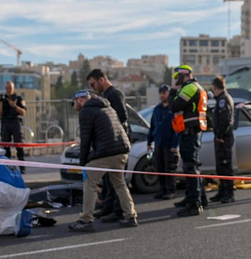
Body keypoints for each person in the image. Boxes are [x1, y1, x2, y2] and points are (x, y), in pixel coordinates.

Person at [69, 90, 136, 231]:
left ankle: (85, 220)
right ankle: (130, 216)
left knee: (89, 182)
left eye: (73, 102)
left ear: (80, 100)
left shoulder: (86, 111)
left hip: (106, 152)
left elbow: (85, 139)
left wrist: (83, 163)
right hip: (121, 150)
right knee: (119, 183)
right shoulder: (107, 106)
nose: (73, 106)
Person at [87, 68, 130, 223]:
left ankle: (118, 211)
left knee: (117, 181)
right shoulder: (107, 95)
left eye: (93, 84)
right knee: (109, 180)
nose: (93, 88)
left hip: (117, 144)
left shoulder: (114, 94)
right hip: (110, 144)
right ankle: (108, 207)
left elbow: (122, 116)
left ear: (101, 80)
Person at [170, 65, 208, 217]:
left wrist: (173, 90)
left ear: (183, 75)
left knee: (190, 167)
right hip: (191, 132)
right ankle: (199, 198)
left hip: (189, 133)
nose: (175, 80)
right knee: (192, 166)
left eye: (176, 77)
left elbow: (174, 105)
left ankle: (194, 204)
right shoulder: (194, 87)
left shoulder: (190, 87)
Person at [147, 84, 180, 199]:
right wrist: (149, 142)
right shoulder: (157, 109)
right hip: (158, 144)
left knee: (169, 168)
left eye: (164, 93)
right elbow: (152, 127)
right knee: (160, 168)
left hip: (169, 145)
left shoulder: (173, 109)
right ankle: (163, 189)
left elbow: (177, 128)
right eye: (160, 93)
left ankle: (171, 190)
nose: (162, 95)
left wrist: (174, 144)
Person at [209, 75, 237, 204]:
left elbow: (225, 119)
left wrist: (220, 135)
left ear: (215, 87)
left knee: (225, 166)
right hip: (221, 137)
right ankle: (222, 191)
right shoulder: (221, 98)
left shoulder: (223, 99)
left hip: (224, 138)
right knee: (220, 166)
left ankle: (229, 193)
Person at [0, 80, 27, 168]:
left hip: (15, 122)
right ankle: (8, 165)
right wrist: (1, 103)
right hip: (5, 122)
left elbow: (23, 112)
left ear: (13, 88)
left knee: (19, 144)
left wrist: (14, 106)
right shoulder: (2, 99)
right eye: (7, 88)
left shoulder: (19, 98)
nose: (8, 90)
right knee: (6, 144)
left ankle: (22, 166)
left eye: (10, 88)